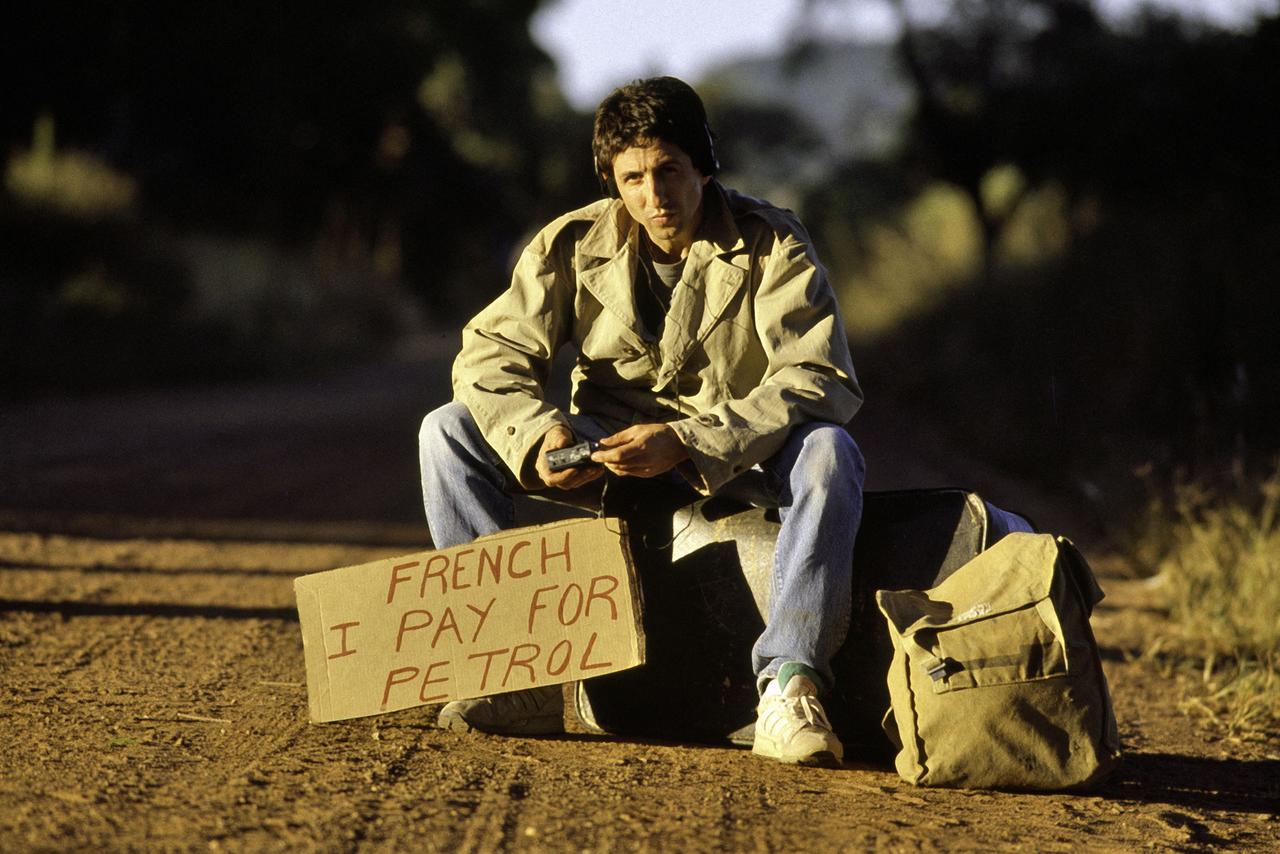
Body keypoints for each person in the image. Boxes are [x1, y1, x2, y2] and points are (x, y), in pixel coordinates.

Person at [418, 76, 864, 767]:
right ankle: (512, 678)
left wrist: (690, 440)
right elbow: (491, 354)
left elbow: (820, 378)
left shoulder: (774, 244)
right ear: (610, 181)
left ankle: (789, 684)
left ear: (703, 166)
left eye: (669, 171)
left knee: (830, 451)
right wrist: (539, 434)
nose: (654, 196)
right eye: (632, 178)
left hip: (733, 462)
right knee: (446, 431)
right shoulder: (568, 244)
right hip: (604, 456)